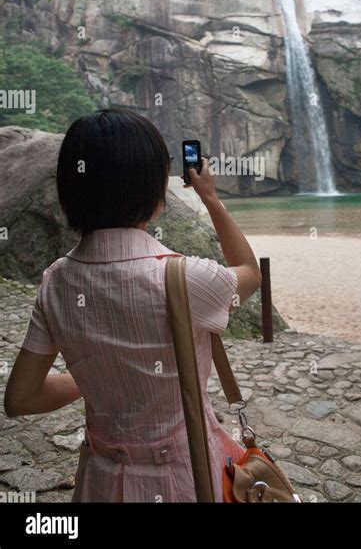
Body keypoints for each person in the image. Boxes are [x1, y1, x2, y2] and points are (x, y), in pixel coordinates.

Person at [4, 109, 262, 502]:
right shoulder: (186, 278)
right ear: (156, 197)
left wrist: (100, 372)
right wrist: (210, 197)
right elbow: (249, 271)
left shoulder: (55, 281)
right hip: (186, 479)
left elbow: (21, 399)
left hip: (100, 484)